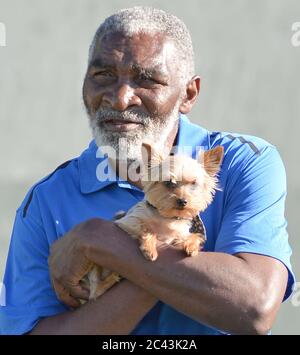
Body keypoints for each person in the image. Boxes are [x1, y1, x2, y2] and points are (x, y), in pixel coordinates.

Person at [0, 7, 295, 335]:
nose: (121, 98)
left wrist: (101, 240)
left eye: (147, 79)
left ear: (189, 94)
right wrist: (168, 268)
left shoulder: (242, 164)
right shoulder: (47, 200)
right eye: (104, 75)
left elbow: (253, 307)